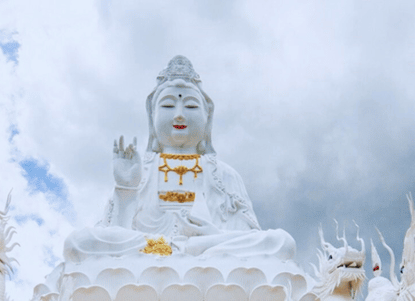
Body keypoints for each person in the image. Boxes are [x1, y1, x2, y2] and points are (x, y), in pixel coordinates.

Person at [62, 55, 296, 262]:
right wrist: (125, 189)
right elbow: (115, 236)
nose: (179, 114)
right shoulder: (142, 170)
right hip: (154, 248)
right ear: (152, 116)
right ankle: (181, 250)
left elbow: (247, 238)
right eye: (168, 105)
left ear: (207, 118)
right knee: (78, 242)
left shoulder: (223, 174)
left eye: (191, 106)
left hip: (208, 249)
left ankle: (190, 249)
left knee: (281, 242)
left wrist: (214, 237)